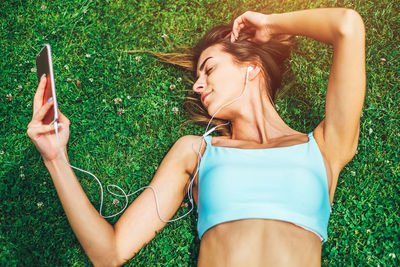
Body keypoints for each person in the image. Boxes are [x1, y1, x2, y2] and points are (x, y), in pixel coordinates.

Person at [27, 7, 365, 267]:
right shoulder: (198, 151)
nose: (197, 85)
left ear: (252, 67)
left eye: (210, 68)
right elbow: (109, 253)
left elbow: (347, 26)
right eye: (198, 75)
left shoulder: (323, 147)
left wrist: (271, 24)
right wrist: (55, 157)